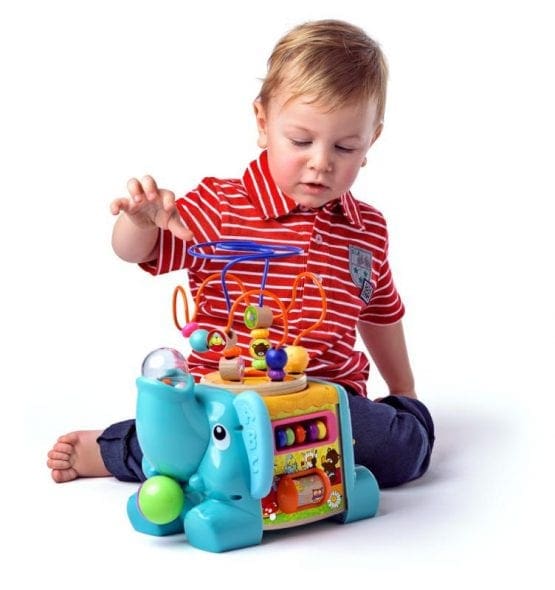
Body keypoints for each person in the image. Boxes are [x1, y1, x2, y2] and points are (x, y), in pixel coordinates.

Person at [47, 19, 434, 489]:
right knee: (187, 441)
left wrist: (404, 390)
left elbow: (380, 312)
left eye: (345, 146)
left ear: (370, 142)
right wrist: (140, 223)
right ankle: (116, 448)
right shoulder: (220, 205)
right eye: (301, 141)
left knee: (400, 448)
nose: (321, 162)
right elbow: (136, 252)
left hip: (321, 400)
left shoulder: (365, 228)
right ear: (263, 123)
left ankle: (269, 462)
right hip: (222, 399)